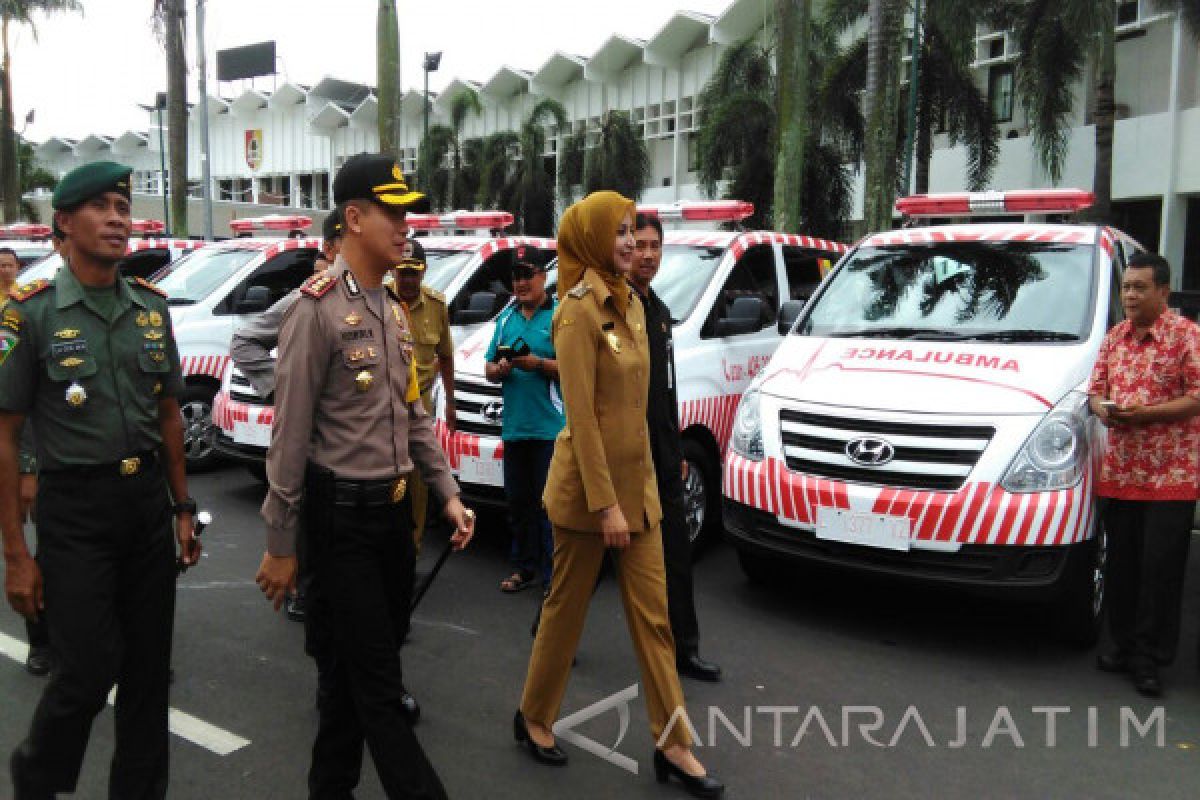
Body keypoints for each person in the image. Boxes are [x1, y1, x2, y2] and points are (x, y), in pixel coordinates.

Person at [255, 152, 476, 799]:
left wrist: (450, 494)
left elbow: (412, 420)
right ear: (353, 218)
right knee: (380, 689)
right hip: (340, 523)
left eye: (408, 211)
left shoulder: (394, 312)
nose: (406, 224)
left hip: (389, 524)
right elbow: (288, 440)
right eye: (392, 212)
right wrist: (279, 545)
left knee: (344, 688)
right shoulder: (313, 311)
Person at [0, 161, 199, 799]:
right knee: (85, 670)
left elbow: (169, 415)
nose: (118, 218)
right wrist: (16, 556)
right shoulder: (28, 316)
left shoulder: (150, 309)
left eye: (122, 205)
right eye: (101, 207)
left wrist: (183, 508)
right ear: (64, 222)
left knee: (147, 675)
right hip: (75, 512)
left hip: (144, 508)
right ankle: (37, 776)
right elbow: (3, 435)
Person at [515, 191, 724, 799]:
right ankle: (533, 717)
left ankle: (674, 743)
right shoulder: (577, 312)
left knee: (655, 621)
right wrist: (606, 505)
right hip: (589, 498)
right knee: (565, 613)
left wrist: (653, 484)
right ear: (592, 239)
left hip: (642, 496)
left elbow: (641, 407)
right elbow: (581, 415)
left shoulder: (634, 303)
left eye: (635, 230)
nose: (632, 242)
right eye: (621, 233)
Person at [1090, 252, 1200, 698]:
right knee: (1123, 564)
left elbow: (1198, 396)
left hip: (1170, 475)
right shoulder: (1115, 338)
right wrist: (1105, 410)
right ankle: (1122, 645)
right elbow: (1095, 392)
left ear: (1163, 292)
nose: (1130, 295)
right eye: (1127, 287)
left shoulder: (1187, 336)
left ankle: (1150, 658)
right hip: (1121, 471)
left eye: (1139, 287)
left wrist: (1147, 415)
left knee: (1160, 569)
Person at [231, 208, 342, 623]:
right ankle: (302, 589)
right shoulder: (305, 299)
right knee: (306, 512)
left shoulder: (379, 301)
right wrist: (284, 387)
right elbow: (244, 342)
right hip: (314, 441)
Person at [630, 213, 722, 683]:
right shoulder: (613, 310)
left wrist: (677, 447)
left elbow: (665, 389)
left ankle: (685, 648)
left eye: (654, 246)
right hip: (623, 459)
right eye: (638, 244)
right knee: (583, 565)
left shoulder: (660, 312)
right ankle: (550, 631)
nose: (647, 254)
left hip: (664, 457)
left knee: (677, 558)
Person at [485, 258, 562, 594]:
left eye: (527, 276)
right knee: (519, 504)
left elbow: (576, 366)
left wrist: (539, 364)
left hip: (551, 429)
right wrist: (499, 369)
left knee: (550, 507)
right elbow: (488, 365)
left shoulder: (560, 316)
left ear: (543, 277)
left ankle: (553, 576)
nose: (520, 284)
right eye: (515, 278)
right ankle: (524, 568)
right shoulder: (506, 318)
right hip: (515, 427)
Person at [387, 243, 457, 552]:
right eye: (402, 273)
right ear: (394, 272)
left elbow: (446, 357)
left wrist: (451, 405)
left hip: (422, 404)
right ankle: (387, 544)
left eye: (413, 274)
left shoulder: (436, 305)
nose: (408, 281)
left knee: (418, 481)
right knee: (387, 475)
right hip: (386, 404)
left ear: (423, 272)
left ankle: (412, 548)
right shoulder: (380, 299)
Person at [1, 247, 50, 678]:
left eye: (9, 264)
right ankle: (41, 640)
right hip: (27, 450)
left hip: (63, 460)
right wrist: (27, 468)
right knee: (39, 557)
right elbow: (19, 411)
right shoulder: (20, 314)